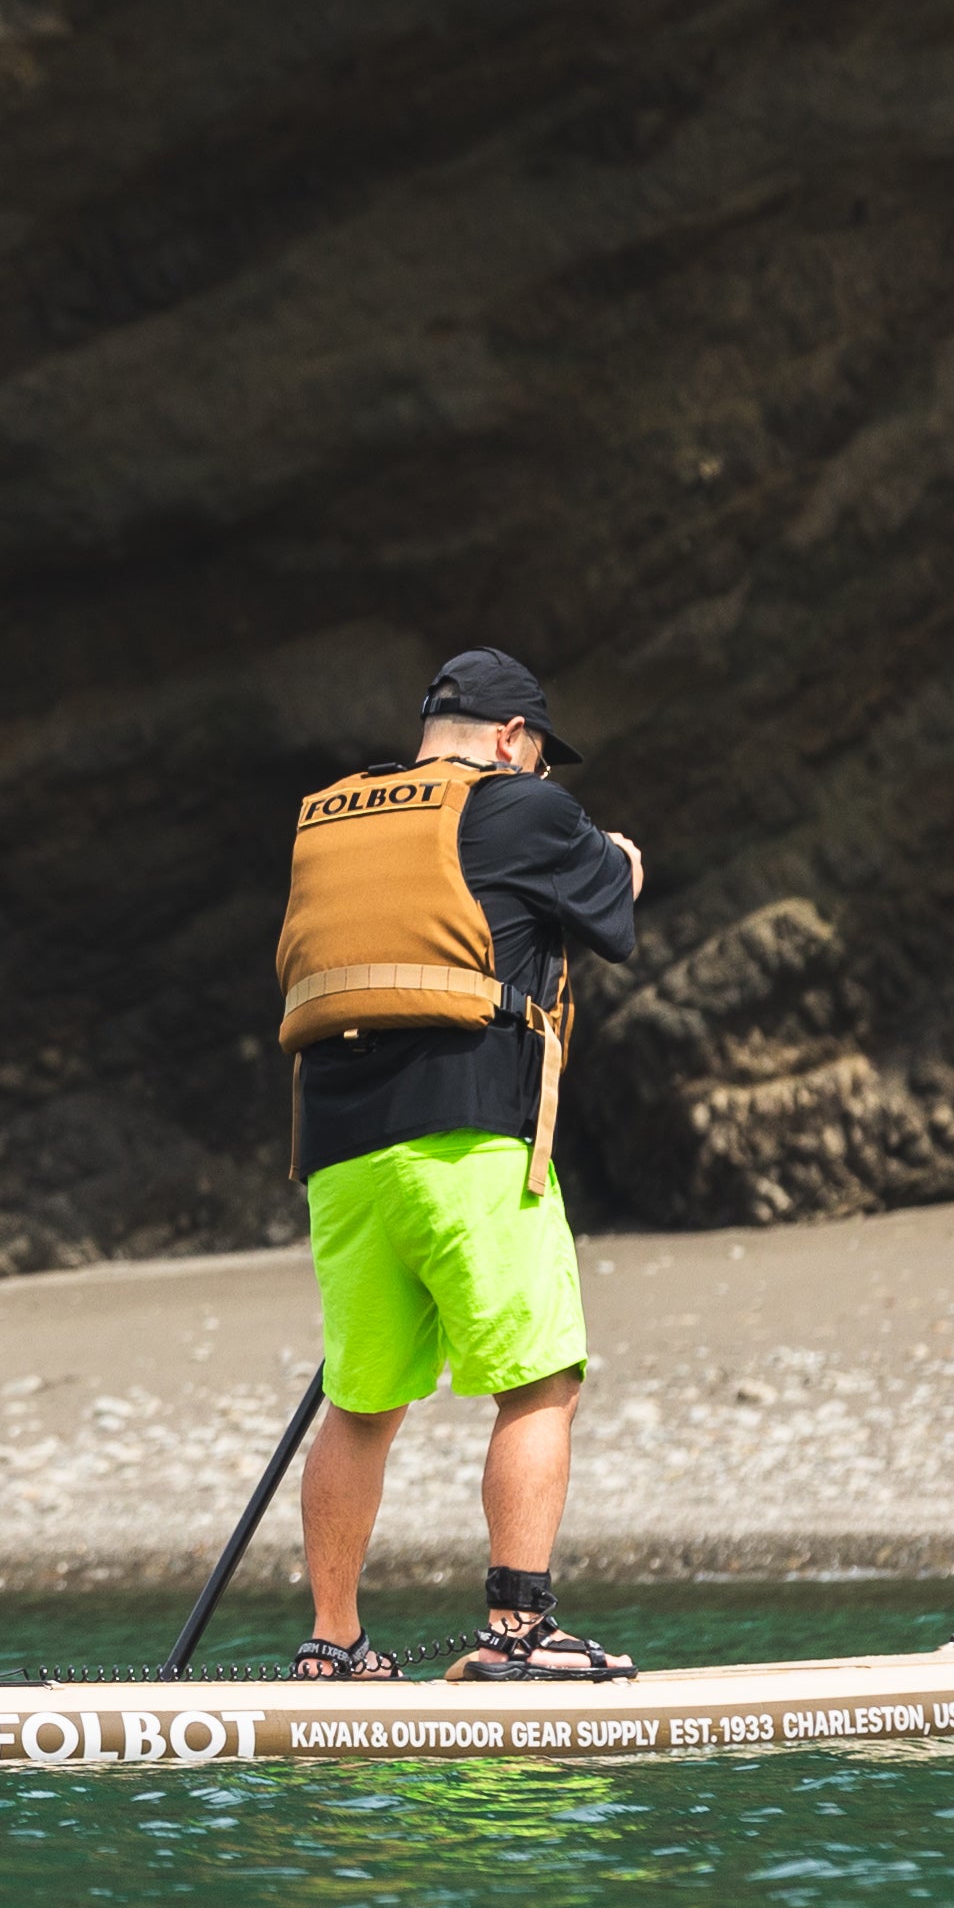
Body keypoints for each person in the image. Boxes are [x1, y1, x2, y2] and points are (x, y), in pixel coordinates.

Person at [271, 647, 646, 1683]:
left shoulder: (336, 818)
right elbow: (610, 908)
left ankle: (333, 1642)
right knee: (538, 1379)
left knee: (363, 1400)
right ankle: (518, 1633)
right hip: (471, 1140)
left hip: (343, 1156)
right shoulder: (528, 807)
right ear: (513, 740)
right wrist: (614, 850)